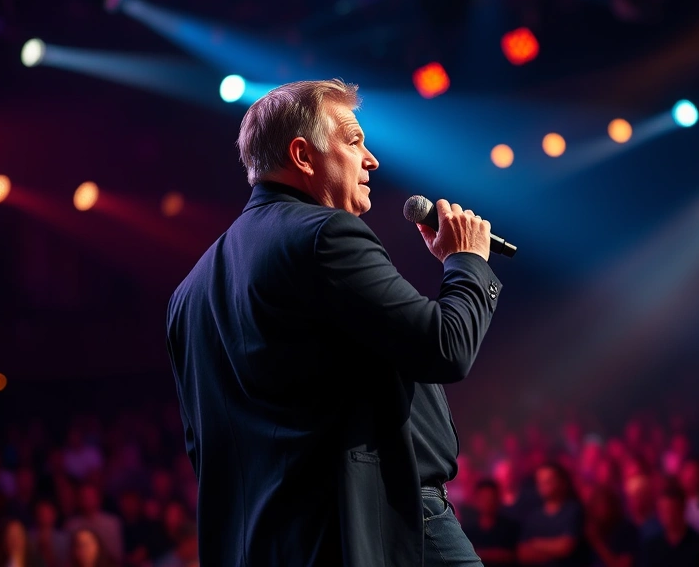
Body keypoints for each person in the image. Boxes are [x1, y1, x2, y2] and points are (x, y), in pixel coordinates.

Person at [166, 79, 503, 566]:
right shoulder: (325, 234)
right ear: (303, 155)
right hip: (379, 523)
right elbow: (446, 346)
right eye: (353, 140)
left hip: (267, 543)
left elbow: (204, 448)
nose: (372, 160)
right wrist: (468, 262)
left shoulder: (188, 292)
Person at [517, 463, 588, 566]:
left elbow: (566, 547)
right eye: (540, 482)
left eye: (548, 481)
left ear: (562, 482)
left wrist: (535, 543)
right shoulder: (533, 516)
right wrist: (554, 552)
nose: (543, 485)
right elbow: (522, 554)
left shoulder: (573, 510)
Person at [460, 480, 519, 567]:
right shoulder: (467, 531)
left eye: (491, 497)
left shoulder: (511, 528)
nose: (488, 501)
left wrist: (480, 554)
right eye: (484, 498)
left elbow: (514, 555)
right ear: (476, 500)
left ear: (498, 499)